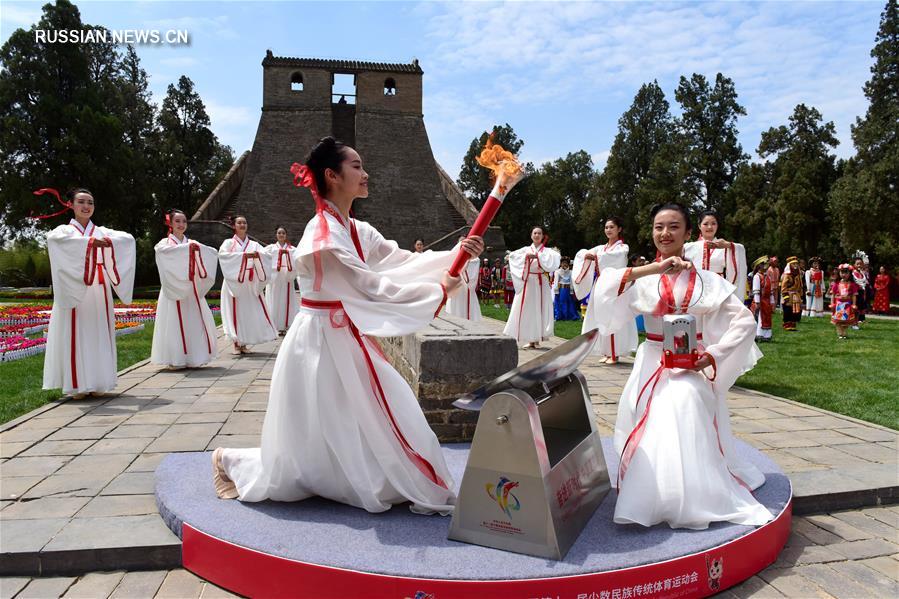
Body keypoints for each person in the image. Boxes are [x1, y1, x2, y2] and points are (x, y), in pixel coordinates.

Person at [212, 136, 512, 515]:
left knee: (367, 419)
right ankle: (231, 461)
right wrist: (438, 290)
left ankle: (355, 474)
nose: (365, 173)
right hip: (317, 343)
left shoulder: (357, 230)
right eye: (356, 166)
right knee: (317, 438)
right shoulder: (322, 236)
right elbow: (368, 286)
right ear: (332, 176)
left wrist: (457, 255)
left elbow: (402, 262)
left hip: (345, 337)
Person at [590, 202, 771, 530]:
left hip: (690, 364)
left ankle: (692, 497)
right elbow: (604, 293)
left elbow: (744, 322)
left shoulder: (706, 280)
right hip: (651, 361)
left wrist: (713, 354)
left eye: (674, 227)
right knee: (647, 417)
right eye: (659, 227)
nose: (665, 233)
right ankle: (653, 493)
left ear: (688, 233)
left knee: (685, 403)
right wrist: (650, 271)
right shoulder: (643, 279)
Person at [41, 188, 136, 398]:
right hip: (75, 288)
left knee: (98, 332)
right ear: (71, 205)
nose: (86, 206)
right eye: (82, 202)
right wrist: (90, 243)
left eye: (90, 203)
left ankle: (98, 381)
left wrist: (107, 243)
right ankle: (76, 384)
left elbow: (127, 239)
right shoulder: (64, 232)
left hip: (99, 289)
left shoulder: (102, 231)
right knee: (76, 332)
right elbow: (55, 241)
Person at [151, 210, 218, 369]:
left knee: (193, 321)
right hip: (173, 289)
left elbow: (211, 252)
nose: (181, 225)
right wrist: (187, 249)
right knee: (173, 321)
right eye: (177, 221)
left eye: (184, 221)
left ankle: (194, 356)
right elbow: (161, 253)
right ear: (171, 224)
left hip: (191, 290)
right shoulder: (164, 244)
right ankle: (175, 358)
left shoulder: (192, 243)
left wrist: (193, 248)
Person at [573, 217, 636, 364]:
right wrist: (587, 256)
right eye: (606, 227)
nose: (608, 230)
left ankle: (615, 353)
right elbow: (583, 253)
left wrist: (594, 257)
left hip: (615, 286)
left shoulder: (622, 248)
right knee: (601, 316)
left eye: (612, 227)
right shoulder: (601, 248)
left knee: (613, 316)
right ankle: (607, 351)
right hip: (600, 285)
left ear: (619, 229)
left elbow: (615, 258)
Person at [219, 216, 277, 354]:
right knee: (234, 311)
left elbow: (265, 255)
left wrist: (256, 256)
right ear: (234, 225)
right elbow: (224, 257)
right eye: (239, 222)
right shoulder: (228, 243)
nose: (242, 224)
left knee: (246, 313)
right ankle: (236, 343)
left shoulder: (254, 244)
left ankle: (244, 343)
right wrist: (245, 257)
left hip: (249, 284)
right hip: (234, 283)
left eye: (244, 222)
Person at [504, 226, 561, 349]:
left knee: (539, 309)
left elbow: (554, 260)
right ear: (531, 235)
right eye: (535, 233)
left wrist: (538, 257)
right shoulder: (525, 250)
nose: (537, 235)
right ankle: (530, 338)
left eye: (539, 233)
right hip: (528, 282)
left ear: (542, 236)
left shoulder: (547, 251)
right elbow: (512, 256)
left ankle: (536, 339)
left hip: (541, 282)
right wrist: (525, 257)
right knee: (527, 309)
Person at [683, 210, 747, 300]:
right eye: (705, 224)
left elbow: (739, 251)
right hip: (696, 288)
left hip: (718, 289)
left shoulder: (725, 246)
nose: (710, 227)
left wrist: (729, 245)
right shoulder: (689, 247)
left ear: (717, 225)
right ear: (699, 226)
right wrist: (703, 246)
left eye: (713, 223)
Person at [264, 227, 300, 335]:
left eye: (283, 233)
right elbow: (263, 258)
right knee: (273, 300)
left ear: (286, 235)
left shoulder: (292, 249)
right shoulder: (270, 249)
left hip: (286, 278)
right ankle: (273, 325)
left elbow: (298, 260)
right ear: (276, 235)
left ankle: (285, 325)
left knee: (286, 300)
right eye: (279, 233)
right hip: (274, 279)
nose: (281, 235)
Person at [445, 247, 481, 322]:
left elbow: (472, 278)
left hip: (467, 288)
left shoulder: (475, 260)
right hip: (456, 287)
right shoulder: (453, 256)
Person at [830, 264, 859, 339]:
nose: (844, 274)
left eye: (846, 273)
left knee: (846, 320)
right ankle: (840, 334)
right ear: (839, 273)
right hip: (838, 305)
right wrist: (832, 303)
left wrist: (854, 304)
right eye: (842, 272)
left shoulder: (852, 284)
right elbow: (832, 294)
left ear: (850, 274)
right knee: (838, 321)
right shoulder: (836, 284)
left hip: (847, 305)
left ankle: (844, 333)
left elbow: (854, 295)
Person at [750, 256, 774, 342]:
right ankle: (759, 334)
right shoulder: (757, 277)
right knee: (760, 318)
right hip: (760, 301)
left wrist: (772, 302)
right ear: (759, 266)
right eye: (763, 264)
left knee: (767, 318)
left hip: (766, 301)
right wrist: (757, 302)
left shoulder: (768, 277)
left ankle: (767, 335)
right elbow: (756, 291)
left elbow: (770, 291)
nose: (766, 265)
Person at [780, 256, 803, 331]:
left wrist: (800, 294)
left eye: (796, 264)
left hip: (796, 295)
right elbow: (783, 287)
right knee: (787, 310)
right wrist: (786, 297)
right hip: (789, 295)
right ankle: (787, 325)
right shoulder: (787, 275)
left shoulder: (798, 274)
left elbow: (800, 285)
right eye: (794, 264)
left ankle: (793, 325)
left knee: (794, 311)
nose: (796, 266)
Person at [851, 258, 869, 328]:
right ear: (854, 265)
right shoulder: (852, 273)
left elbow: (864, 284)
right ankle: (852, 323)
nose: (859, 265)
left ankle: (856, 323)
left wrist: (864, 293)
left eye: (861, 264)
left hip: (861, 293)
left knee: (859, 309)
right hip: (855, 293)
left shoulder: (862, 273)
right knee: (855, 309)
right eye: (857, 264)